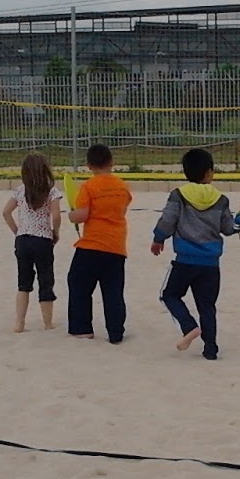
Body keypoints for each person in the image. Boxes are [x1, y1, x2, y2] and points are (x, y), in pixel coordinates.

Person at [150, 148, 240, 360]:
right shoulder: (221, 199)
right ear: (209, 172)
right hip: (210, 264)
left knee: (169, 295)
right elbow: (229, 228)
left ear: (186, 171)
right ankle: (210, 350)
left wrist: (158, 238)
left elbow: (167, 221)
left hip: (185, 261)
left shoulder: (178, 195)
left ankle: (189, 326)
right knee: (207, 306)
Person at [67, 142, 132, 343]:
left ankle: (82, 328)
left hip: (92, 245)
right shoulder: (122, 186)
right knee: (113, 291)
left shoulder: (88, 186)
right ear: (111, 162)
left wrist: (71, 215)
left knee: (78, 284)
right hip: (116, 246)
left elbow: (82, 215)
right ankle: (116, 331)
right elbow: (123, 208)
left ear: (89, 165)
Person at [2, 151, 63, 332]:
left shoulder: (20, 190)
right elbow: (56, 216)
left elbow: (6, 212)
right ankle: (47, 323)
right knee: (46, 280)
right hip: (42, 239)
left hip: (23, 240)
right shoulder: (51, 191)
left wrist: (17, 231)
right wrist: (55, 232)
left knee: (23, 282)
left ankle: (19, 322)